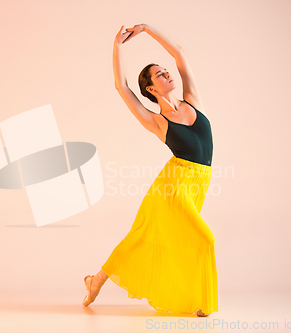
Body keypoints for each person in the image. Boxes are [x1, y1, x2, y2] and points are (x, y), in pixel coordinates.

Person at [82, 24, 218, 317]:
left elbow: (179, 52)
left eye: (165, 70)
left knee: (146, 237)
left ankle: (96, 281)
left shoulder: (192, 99)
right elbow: (122, 87)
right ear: (151, 89)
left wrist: (146, 29)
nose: (167, 73)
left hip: (199, 183)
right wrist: (117, 46)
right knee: (204, 238)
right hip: (175, 185)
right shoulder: (156, 121)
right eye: (159, 74)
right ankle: (201, 303)